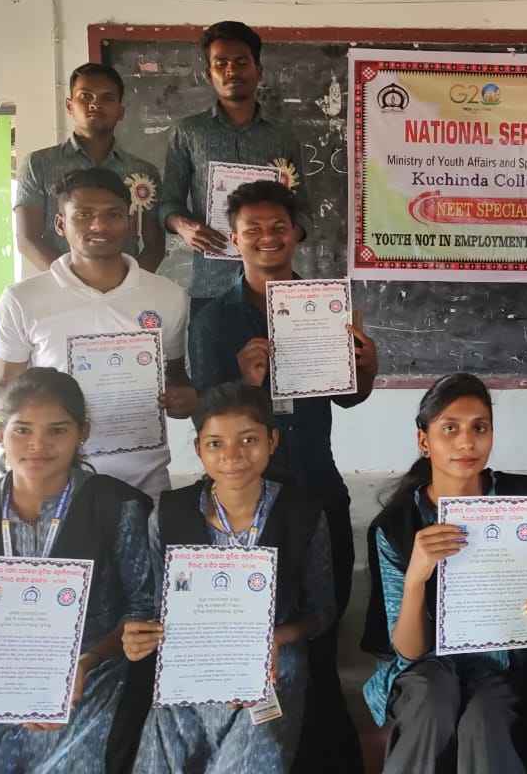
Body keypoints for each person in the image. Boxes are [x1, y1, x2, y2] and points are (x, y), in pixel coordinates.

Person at [186, 179, 374, 772]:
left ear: (296, 234)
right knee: (252, 633)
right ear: (234, 239)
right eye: (253, 230)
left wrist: (366, 366)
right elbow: (203, 415)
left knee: (320, 629)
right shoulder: (214, 318)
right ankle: (250, 748)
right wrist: (243, 382)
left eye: (278, 227)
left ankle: (325, 753)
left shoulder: (324, 304)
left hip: (318, 485)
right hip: (244, 500)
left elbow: (349, 397)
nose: (267, 238)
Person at [0, 369, 153, 774]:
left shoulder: (118, 507)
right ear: (1, 434)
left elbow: (142, 606)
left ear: (82, 433)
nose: (38, 445)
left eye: (57, 430)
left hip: (92, 672)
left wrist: (86, 662)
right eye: (22, 430)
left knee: (76, 763)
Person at [122, 383, 337, 773]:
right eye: (215, 444)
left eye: (248, 440)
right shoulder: (169, 515)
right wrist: (141, 635)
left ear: (272, 441)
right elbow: (157, 608)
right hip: (191, 666)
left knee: (250, 752)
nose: (232, 456)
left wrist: (276, 638)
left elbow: (321, 612)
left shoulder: (301, 514)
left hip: (271, 665)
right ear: (198, 448)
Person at [360, 373, 527, 773]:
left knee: (486, 717)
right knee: (432, 696)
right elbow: (408, 651)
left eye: (479, 428)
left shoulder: (516, 505)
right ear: (424, 441)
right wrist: (416, 578)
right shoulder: (396, 526)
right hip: (425, 667)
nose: (467, 442)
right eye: (450, 429)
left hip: (501, 664)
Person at [0, 168, 196, 498]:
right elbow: (1, 390)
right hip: (57, 483)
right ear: (61, 224)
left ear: (129, 222)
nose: (99, 226)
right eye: (83, 215)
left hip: (145, 484)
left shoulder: (168, 296)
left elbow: (176, 378)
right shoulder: (22, 299)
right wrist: (40, 409)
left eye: (113, 215)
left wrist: (183, 399)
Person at [158, 20, 312, 313]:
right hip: (211, 284)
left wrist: (288, 235)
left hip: (274, 286)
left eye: (241, 62)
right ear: (209, 74)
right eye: (221, 63)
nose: (231, 70)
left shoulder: (282, 136)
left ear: (258, 71)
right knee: (211, 344)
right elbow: (168, 203)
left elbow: (302, 209)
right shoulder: (189, 133)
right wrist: (183, 226)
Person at [16, 63, 165, 273]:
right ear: (70, 106)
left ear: (120, 111)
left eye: (107, 98)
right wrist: (72, 282)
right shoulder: (38, 164)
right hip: (61, 287)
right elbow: (27, 239)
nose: (95, 104)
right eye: (85, 96)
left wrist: (128, 285)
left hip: (126, 289)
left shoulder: (144, 173)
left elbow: (155, 246)